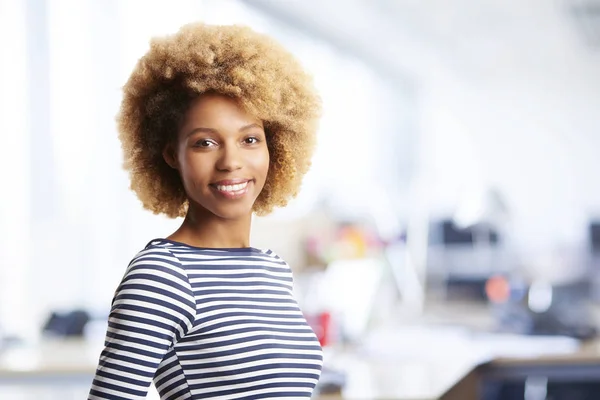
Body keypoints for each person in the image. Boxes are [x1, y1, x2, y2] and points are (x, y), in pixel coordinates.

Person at [88, 22, 323, 399]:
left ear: (274, 148)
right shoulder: (162, 275)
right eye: (205, 143)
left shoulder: (272, 269)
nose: (231, 161)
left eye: (249, 139)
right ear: (171, 155)